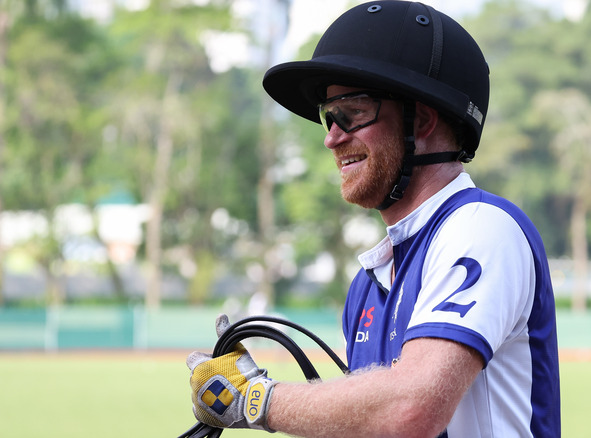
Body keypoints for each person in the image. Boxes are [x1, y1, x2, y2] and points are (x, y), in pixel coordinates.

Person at [186, 2, 561, 437]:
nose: (331, 137)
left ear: (420, 121)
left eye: (352, 113)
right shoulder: (368, 283)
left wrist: (256, 399)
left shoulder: (481, 227)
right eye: (329, 118)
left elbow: (412, 409)